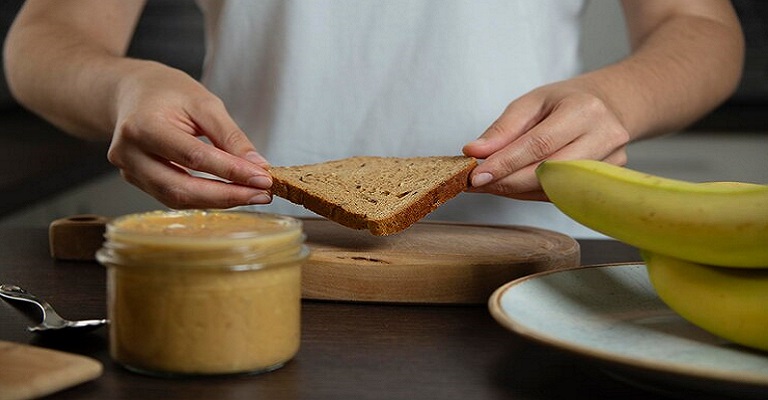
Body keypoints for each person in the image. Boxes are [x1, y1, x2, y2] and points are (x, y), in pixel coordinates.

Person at [4, 0, 744, 238]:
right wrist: (122, 85)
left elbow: (700, 26)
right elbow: (47, 35)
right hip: (258, 257)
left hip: (529, 265)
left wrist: (620, 100)